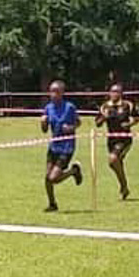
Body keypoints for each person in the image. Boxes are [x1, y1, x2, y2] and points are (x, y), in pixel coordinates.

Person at [40, 80, 83, 212]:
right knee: (47, 178)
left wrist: (70, 128)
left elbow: (78, 123)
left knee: (54, 178)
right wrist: (43, 122)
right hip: (54, 146)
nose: (53, 94)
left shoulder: (69, 107)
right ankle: (52, 204)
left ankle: (73, 171)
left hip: (67, 146)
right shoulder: (48, 108)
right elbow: (44, 130)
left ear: (62, 93)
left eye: (56, 91)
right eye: (51, 91)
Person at [96, 83, 139, 200]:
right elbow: (98, 123)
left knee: (113, 160)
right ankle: (124, 188)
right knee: (116, 163)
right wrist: (104, 117)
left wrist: (129, 124)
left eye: (117, 92)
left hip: (124, 139)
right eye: (112, 92)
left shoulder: (127, 105)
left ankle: (123, 186)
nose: (114, 94)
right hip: (111, 140)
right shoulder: (105, 107)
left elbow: (137, 118)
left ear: (121, 93)